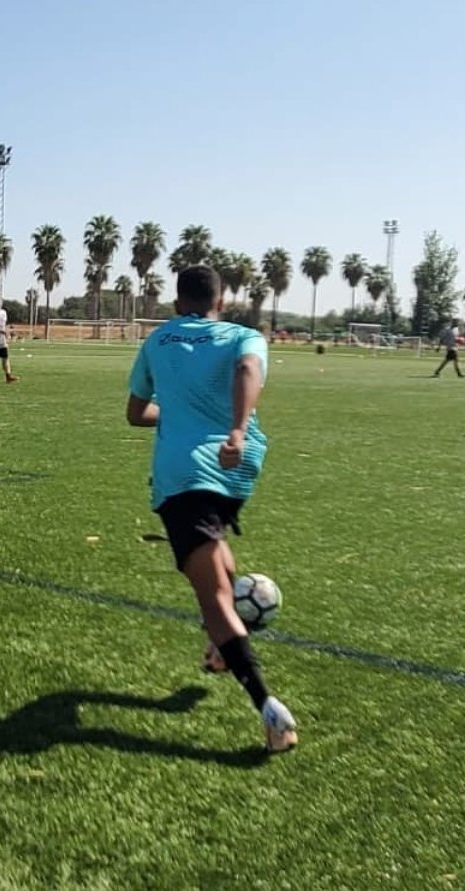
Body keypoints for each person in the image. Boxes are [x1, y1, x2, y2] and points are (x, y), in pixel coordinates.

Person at [125, 265, 297, 753]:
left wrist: (179, 415)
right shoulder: (245, 336)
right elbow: (246, 371)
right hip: (237, 470)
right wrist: (238, 431)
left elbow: (136, 414)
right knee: (217, 557)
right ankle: (219, 649)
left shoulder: (158, 341)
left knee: (215, 596)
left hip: (184, 476)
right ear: (221, 302)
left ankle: (269, 709)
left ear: (178, 303)